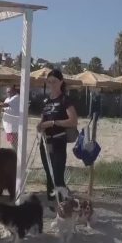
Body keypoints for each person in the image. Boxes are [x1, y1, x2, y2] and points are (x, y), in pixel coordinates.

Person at [37, 69, 78, 203]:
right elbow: (42, 120)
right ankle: (52, 203)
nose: (51, 84)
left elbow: (73, 120)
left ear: (61, 82)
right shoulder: (46, 101)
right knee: (49, 174)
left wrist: (53, 123)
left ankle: (65, 204)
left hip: (59, 141)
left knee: (57, 175)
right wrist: (41, 125)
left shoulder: (65, 100)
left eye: (54, 81)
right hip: (45, 143)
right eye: (49, 82)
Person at [0, 86, 20, 151]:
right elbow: (5, 108)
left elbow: (5, 105)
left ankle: (16, 156)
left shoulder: (16, 97)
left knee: (14, 142)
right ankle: (14, 153)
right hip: (8, 125)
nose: (8, 93)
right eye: (7, 92)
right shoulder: (7, 98)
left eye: (9, 92)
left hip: (13, 125)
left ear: (14, 91)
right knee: (11, 141)